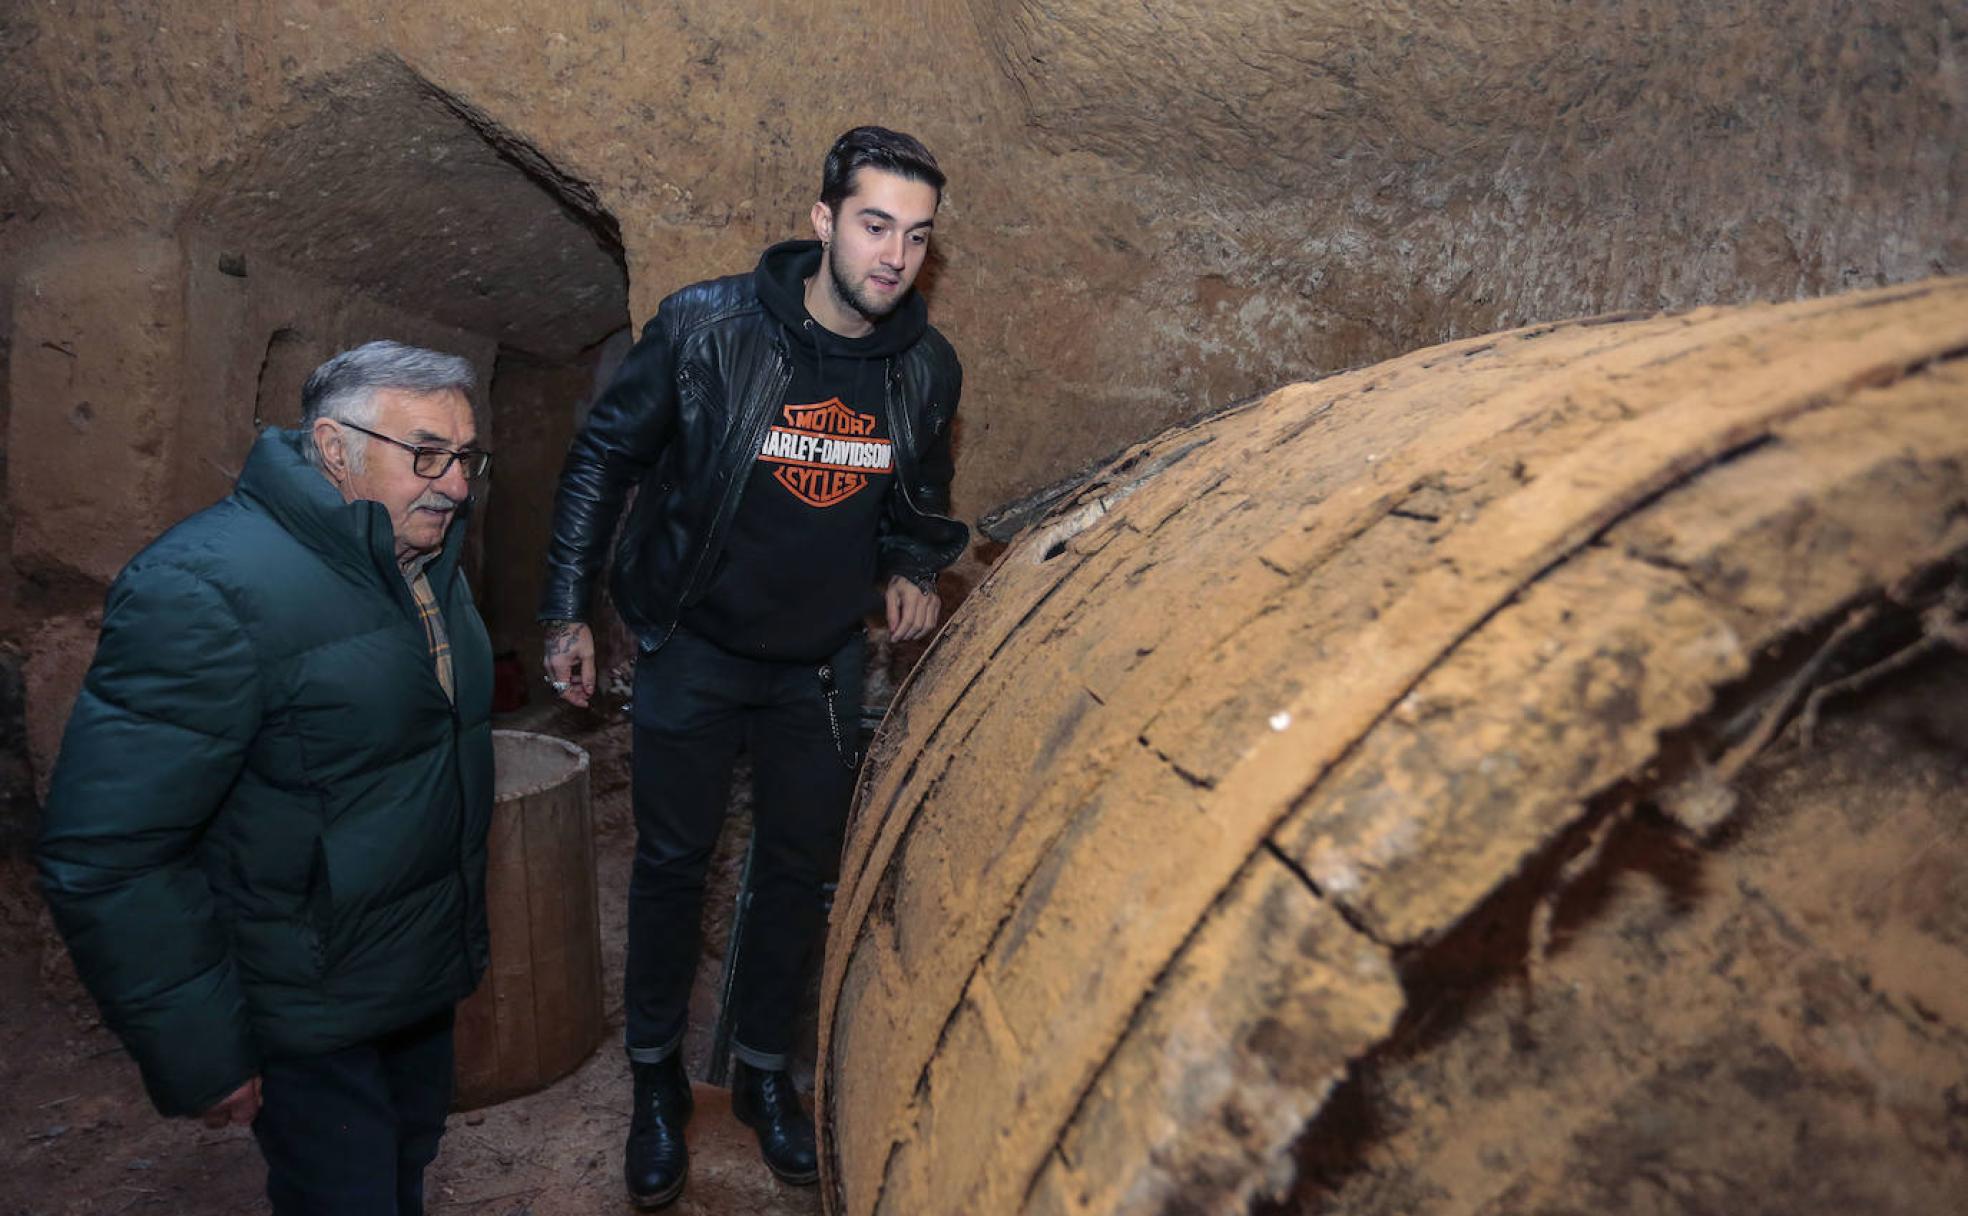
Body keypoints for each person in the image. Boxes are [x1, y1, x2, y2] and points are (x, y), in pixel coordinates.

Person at [538, 125, 968, 1207]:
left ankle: (767, 1075)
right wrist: (566, 612)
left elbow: (917, 501)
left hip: (818, 668)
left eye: (917, 237)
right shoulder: (706, 327)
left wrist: (913, 563)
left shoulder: (925, 366)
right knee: (672, 868)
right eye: (875, 225)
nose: (894, 255)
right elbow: (602, 457)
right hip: (692, 645)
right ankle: (654, 1085)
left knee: (795, 875)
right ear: (823, 221)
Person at [37, 341, 496, 1216]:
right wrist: (202, 1050)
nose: (455, 484)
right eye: (427, 454)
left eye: (464, 457)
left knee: (405, 1165)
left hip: (411, 976)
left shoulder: (423, 557)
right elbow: (110, 849)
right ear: (334, 447)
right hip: (305, 999)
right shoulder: (204, 588)